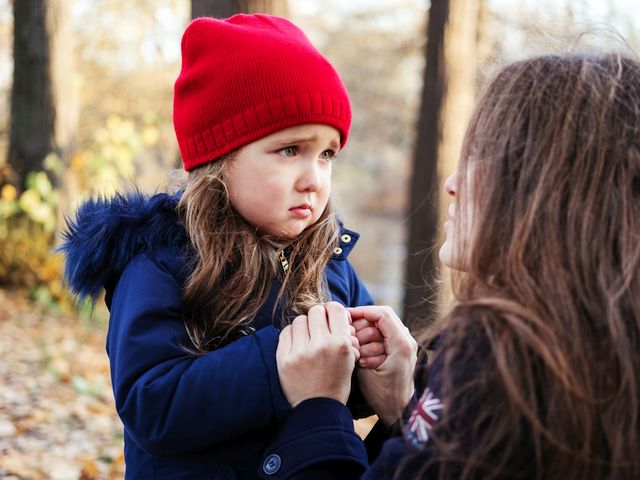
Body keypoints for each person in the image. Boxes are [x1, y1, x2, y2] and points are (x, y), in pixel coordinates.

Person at [259, 51, 640, 479]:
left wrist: (317, 408)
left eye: (483, 158)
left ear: (553, 192)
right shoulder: (593, 352)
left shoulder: (504, 364)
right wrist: (405, 407)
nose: (452, 183)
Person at [60, 14, 386, 479]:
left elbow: (339, 392)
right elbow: (152, 405)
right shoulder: (161, 263)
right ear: (221, 157)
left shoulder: (330, 263)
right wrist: (277, 367)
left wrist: (373, 362)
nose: (314, 180)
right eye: (289, 150)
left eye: (327, 154)